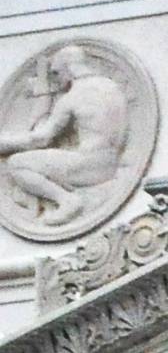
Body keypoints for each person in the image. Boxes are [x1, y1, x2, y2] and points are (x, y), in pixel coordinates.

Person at [0, 47, 144, 239]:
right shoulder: (111, 87)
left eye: (57, 72)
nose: (57, 79)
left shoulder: (73, 97)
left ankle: (66, 200)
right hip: (110, 164)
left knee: (17, 164)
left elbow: (40, 138)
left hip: (87, 165)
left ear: (68, 67)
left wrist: (6, 142)